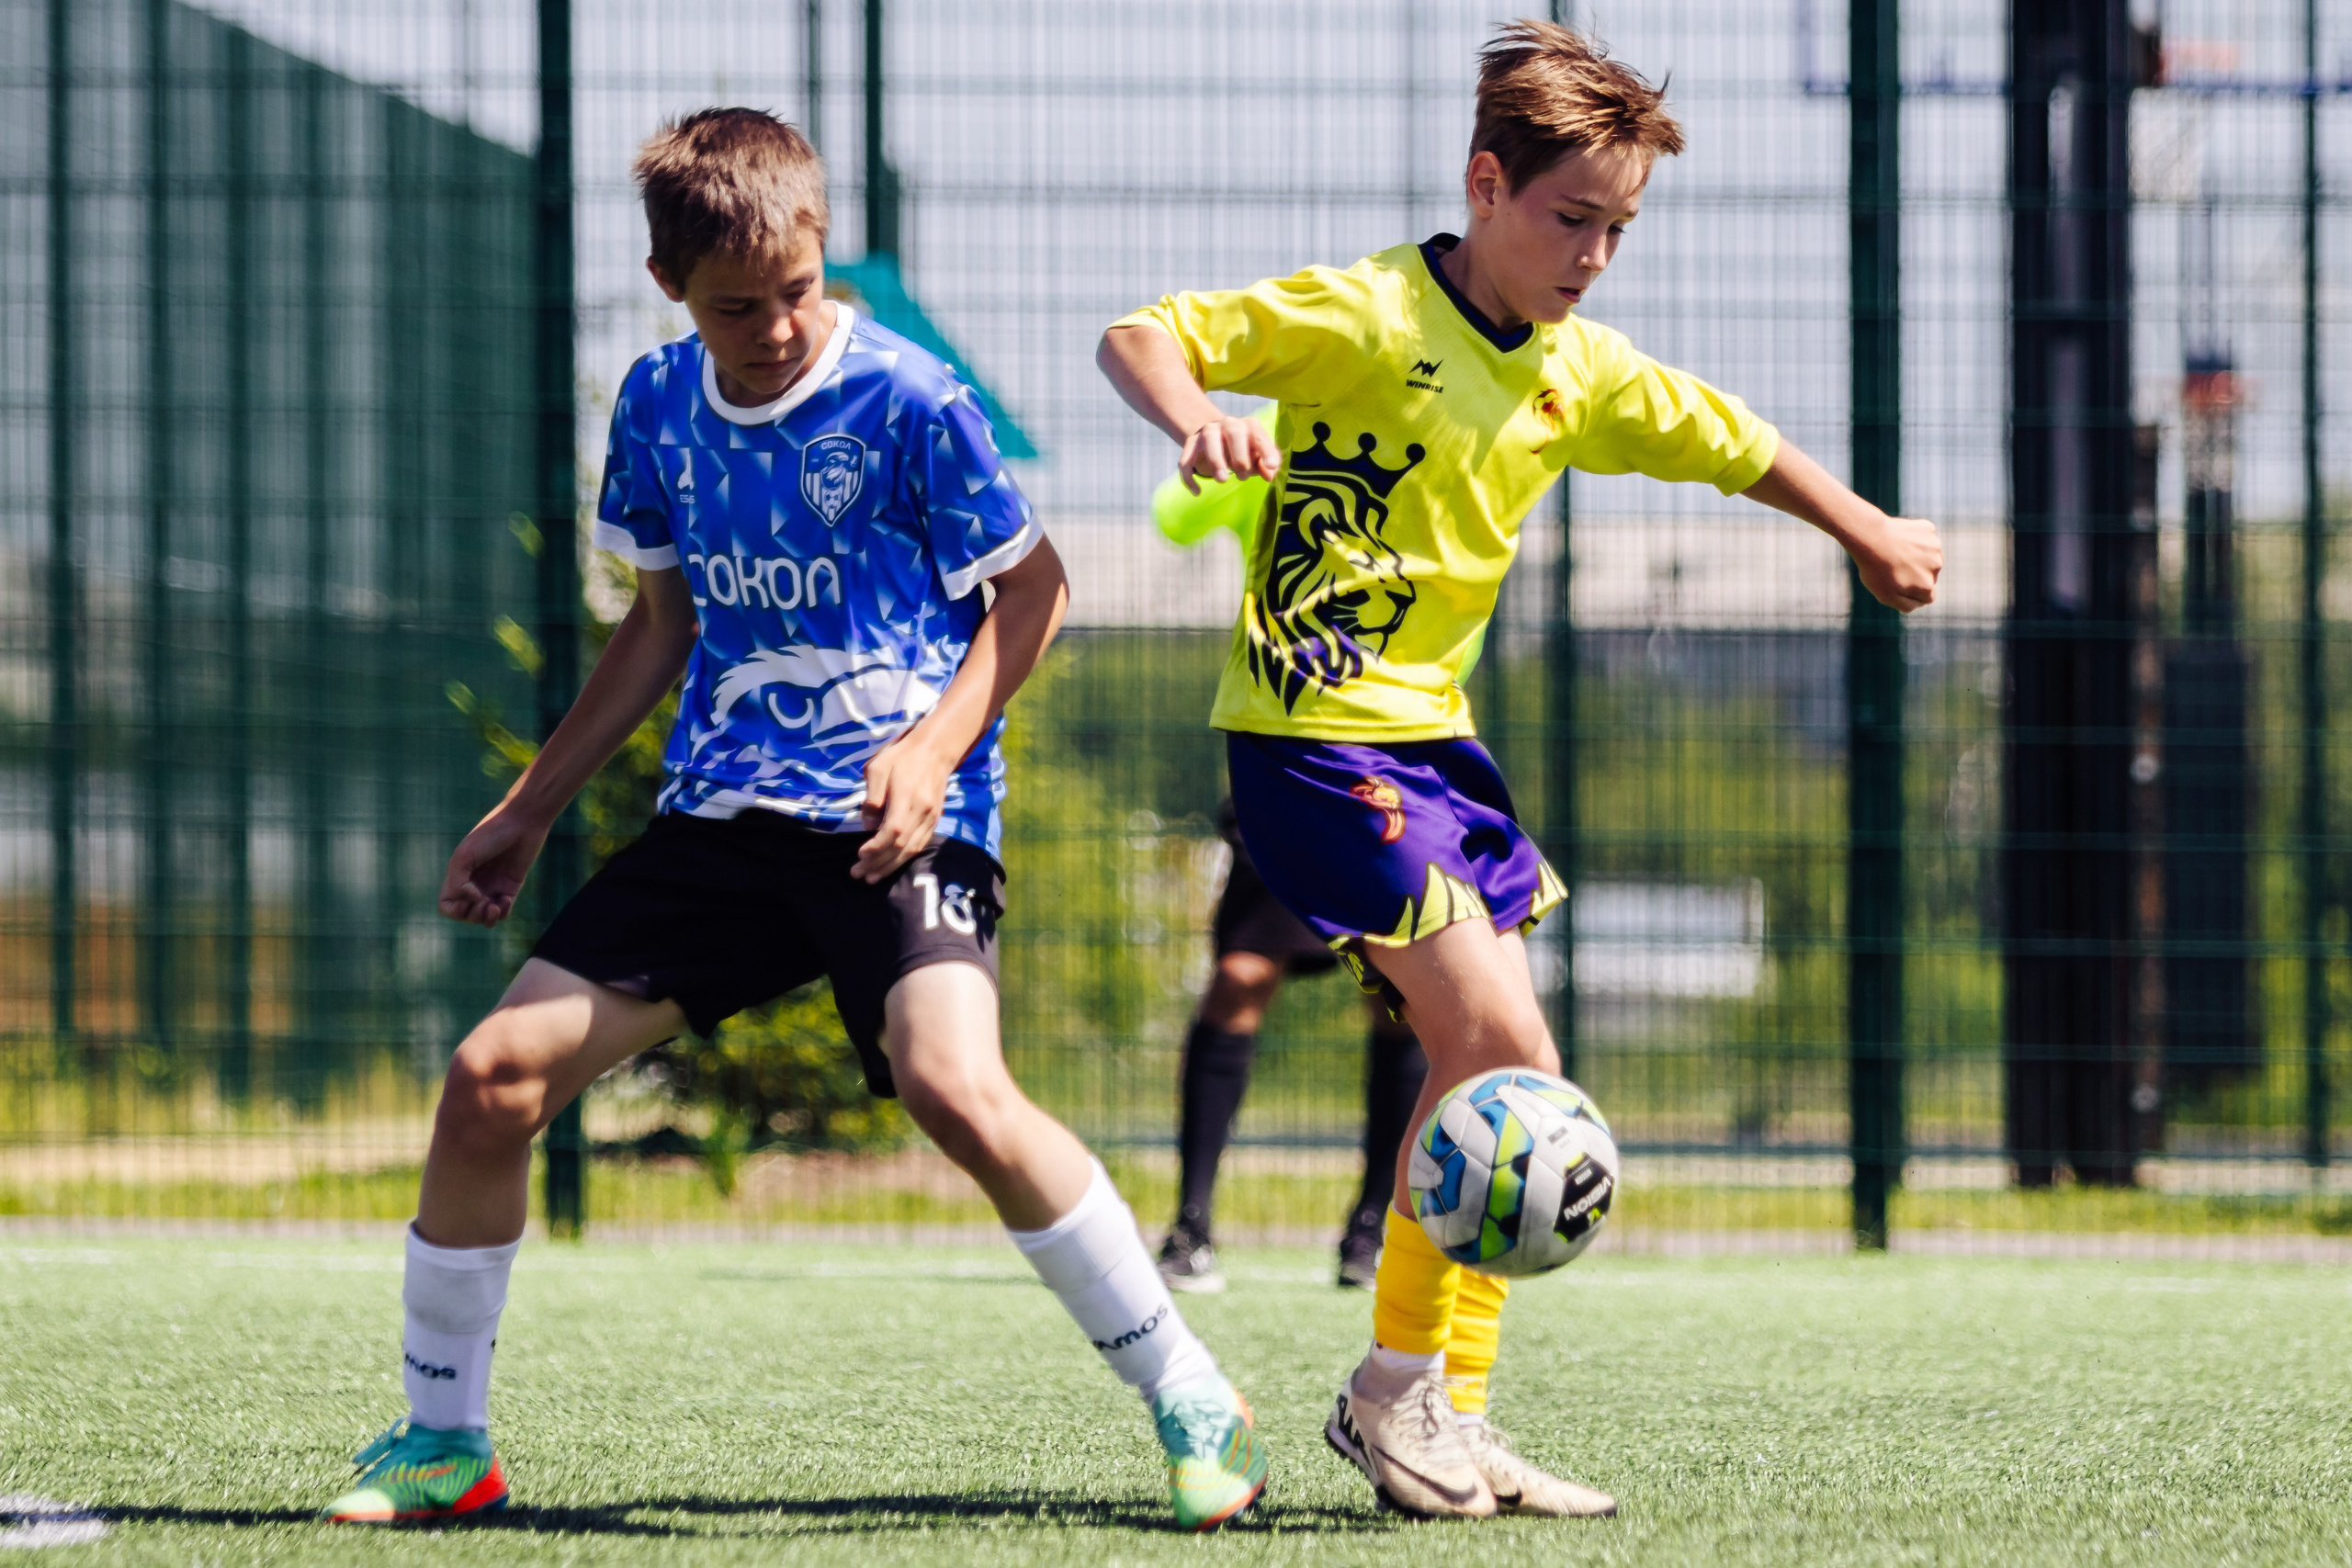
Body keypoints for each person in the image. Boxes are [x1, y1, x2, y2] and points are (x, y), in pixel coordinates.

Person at [322, 108, 1266, 1533]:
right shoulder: (652, 405)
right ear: (670, 290)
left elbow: (1037, 589)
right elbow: (658, 624)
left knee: (956, 1088)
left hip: (901, 818)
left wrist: (936, 753)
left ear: (824, 254)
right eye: (734, 307)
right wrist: (526, 810)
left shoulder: (908, 398)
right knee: (489, 1078)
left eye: (796, 293)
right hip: (728, 822)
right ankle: (444, 1439)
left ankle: (1193, 1391)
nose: (771, 328)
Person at [1100, 22, 1941, 1521]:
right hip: (1310, 742)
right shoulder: (1363, 312)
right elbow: (1142, 331)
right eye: (1572, 219)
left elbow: (1727, 440)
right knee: (1501, 1054)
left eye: (1619, 228)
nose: (1596, 255)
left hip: (1437, 746)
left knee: (1509, 1075)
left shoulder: (1575, 366)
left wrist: (1866, 528)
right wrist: (1197, 419)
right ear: (1486, 183)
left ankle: (1452, 1408)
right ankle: (1386, 1397)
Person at [1147, 444, 1430, 1295]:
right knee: (1239, 974)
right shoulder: (1278, 437)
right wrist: (1216, 444)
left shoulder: (1435, 435)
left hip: (1401, 754)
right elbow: (1173, 515)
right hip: (1288, 751)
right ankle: (1192, 1226)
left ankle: (1372, 1228)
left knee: (1403, 994)